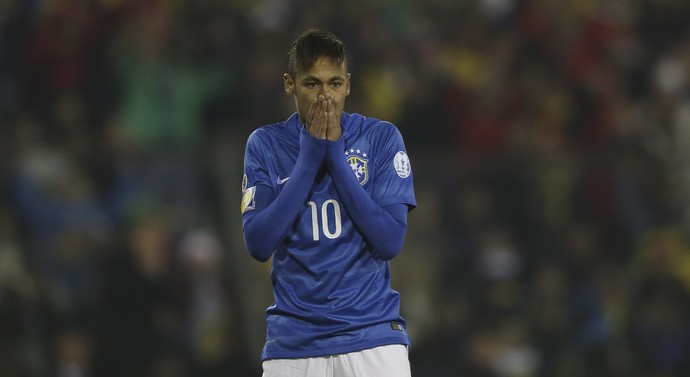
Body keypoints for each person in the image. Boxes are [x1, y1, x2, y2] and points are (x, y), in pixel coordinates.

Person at [240, 28, 416, 377]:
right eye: (312, 84)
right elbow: (258, 243)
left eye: (334, 84)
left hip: (373, 336)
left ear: (348, 84)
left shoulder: (380, 139)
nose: (326, 97)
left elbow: (390, 241)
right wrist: (308, 159)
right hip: (294, 344)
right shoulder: (266, 145)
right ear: (290, 84)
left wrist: (334, 158)